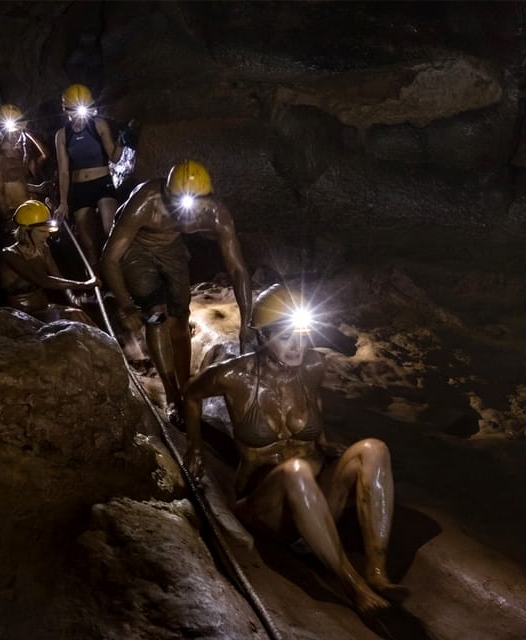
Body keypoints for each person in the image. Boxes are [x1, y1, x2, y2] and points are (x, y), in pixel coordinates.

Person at [182, 284, 406, 617]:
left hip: (317, 498)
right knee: (295, 471)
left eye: (302, 336)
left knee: (373, 448)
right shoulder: (233, 375)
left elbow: (314, 401)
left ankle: (376, 572)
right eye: (286, 337)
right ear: (263, 337)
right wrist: (195, 448)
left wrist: (324, 438)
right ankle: (352, 584)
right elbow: (190, 395)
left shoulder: (313, 365)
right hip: (266, 508)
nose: (297, 346)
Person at [100, 160, 253, 415]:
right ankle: (172, 395)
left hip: (171, 249)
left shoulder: (216, 214)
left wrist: (247, 322)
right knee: (157, 314)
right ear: (168, 197)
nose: (188, 216)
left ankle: (185, 385)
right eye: (180, 206)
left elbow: (238, 270)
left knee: (180, 317)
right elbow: (110, 258)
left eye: (196, 207)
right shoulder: (146, 202)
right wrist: (126, 304)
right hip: (136, 249)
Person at [53, 83, 123, 269]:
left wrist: (122, 142)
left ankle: (117, 271)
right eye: (74, 111)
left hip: (102, 184)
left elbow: (114, 158)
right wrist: (63, 202)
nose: (80, 116)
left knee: (110, 230)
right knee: (88, 243)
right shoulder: (62, 135)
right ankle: (96, 282)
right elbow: (64, 171)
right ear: (66, 111)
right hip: (79, 189)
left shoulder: (98, 124)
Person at [0, 199, 98, 325]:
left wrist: (72, 299)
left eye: (47, 231)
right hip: (21, 316)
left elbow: (57, 277)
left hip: (43, 308)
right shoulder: (9, 255)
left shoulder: (44, 249)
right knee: (73, 315)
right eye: (42, 231)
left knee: (79, 314)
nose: (47, 236)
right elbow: (43, 281)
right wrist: (84, 284)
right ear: (26, 230)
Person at [0, 103, 53, 235]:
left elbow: (45, 155)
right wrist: (7, 218)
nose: (16, 135)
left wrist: (27, 132)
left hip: (30, 210)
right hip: (15, 215)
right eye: (12, 131)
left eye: (18, 130)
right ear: (2, 130)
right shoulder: (0, 157)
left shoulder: (19, 152)